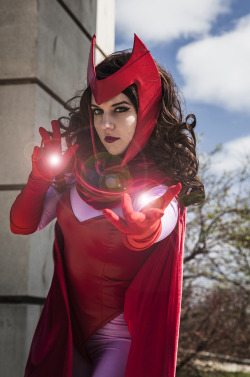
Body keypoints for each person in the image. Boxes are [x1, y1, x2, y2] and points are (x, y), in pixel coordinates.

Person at [10, 34, 204, 377]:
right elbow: (23, 225)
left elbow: (156, 225)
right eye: (98, 111)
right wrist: (38, 180)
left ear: (147, 110)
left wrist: (145, 229)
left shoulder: (160, 191)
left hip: (121, 342)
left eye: (120, 109)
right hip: (66, 330)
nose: (105, 124)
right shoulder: (77, 176)